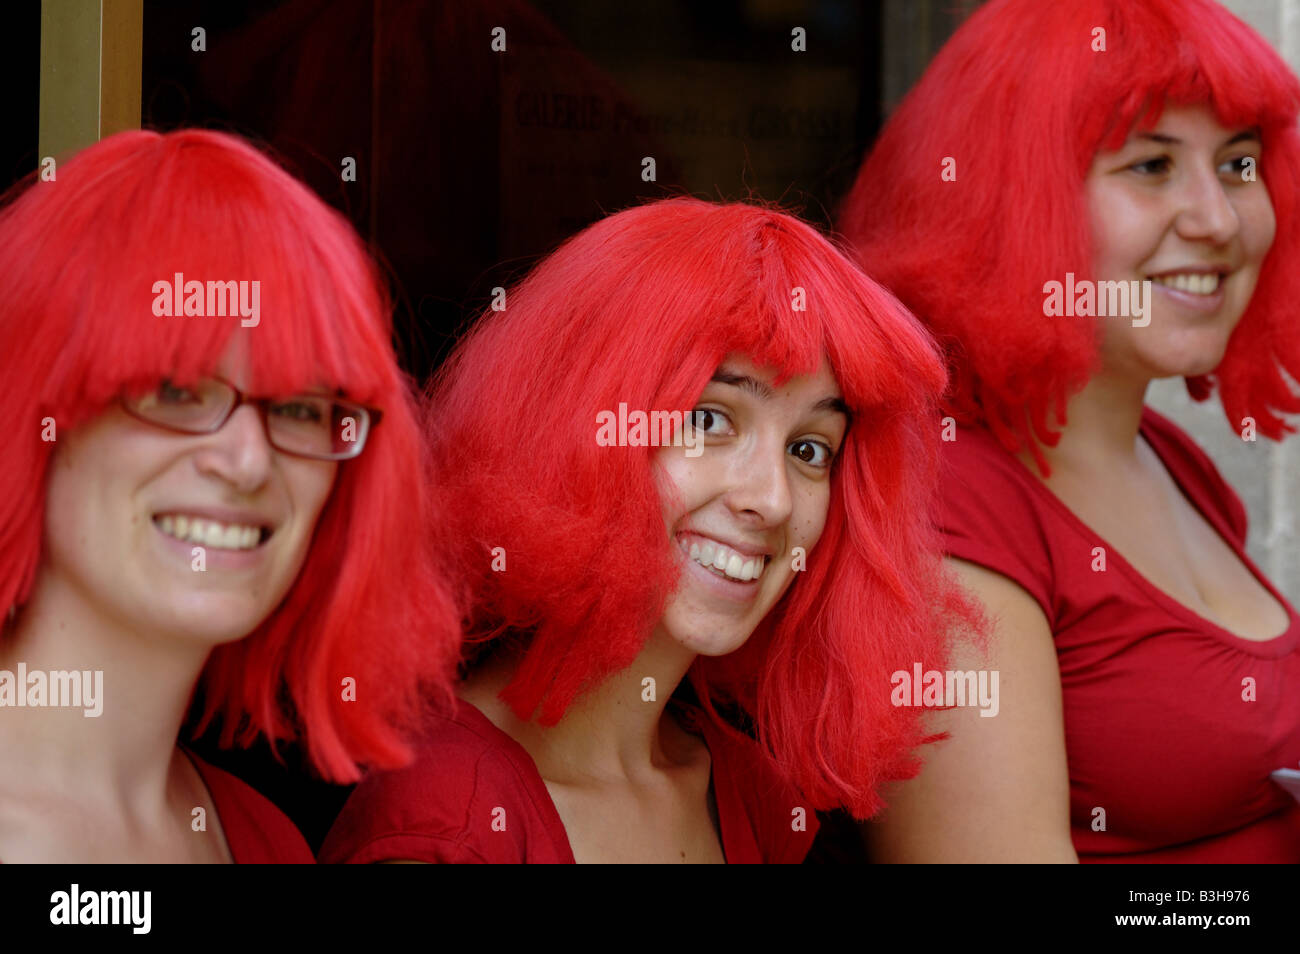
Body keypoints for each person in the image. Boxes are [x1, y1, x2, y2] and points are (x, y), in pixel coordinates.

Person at [320, 197, 979, 863]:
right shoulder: (443, 824)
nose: (772, 499)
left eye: (810, 450)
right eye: (709, 420)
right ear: (573, 430)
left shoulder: (752, 794)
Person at [840, 0, 1300, 862]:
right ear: (1014, 202)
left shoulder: (1177, 461)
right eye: (1152, 164)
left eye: (1239, 163)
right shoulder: (950, 502)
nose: (1219, 218)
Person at [0, 129, 459, 862]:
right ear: (33, 412)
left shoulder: (265, 841)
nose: (249, 461)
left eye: (302, 408)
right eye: (178, 390)